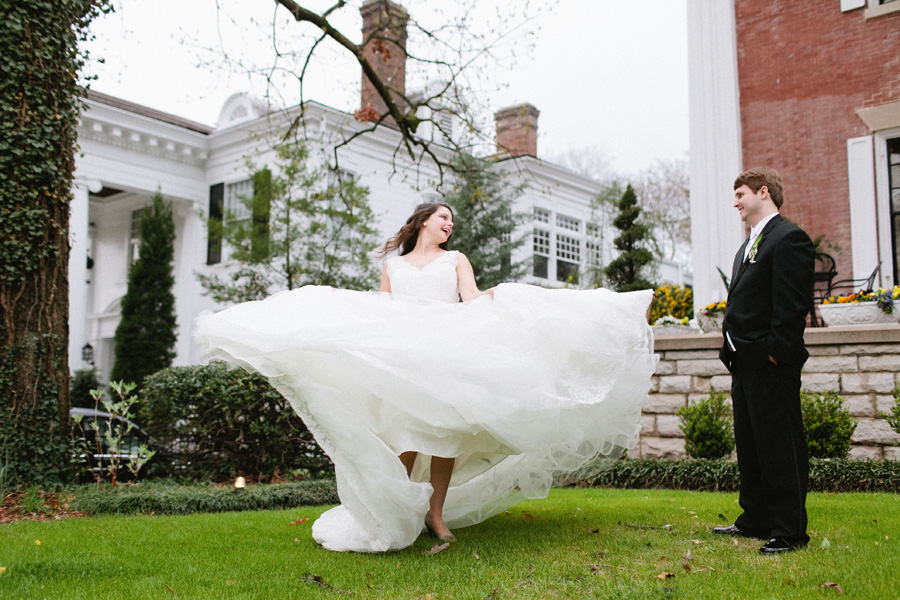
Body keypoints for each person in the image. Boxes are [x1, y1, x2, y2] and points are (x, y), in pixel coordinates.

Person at [196, 201, 657, 552]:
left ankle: (435, 515)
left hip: (446, 352)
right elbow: (382, 311)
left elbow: (470, 299)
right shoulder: (392, 267)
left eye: (451, 221)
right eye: (442, 218)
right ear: (421, 223)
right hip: (402, 355)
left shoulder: (455, 259)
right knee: (403, 435)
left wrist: (504, 297)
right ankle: (392, 510)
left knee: (444, 436)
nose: (449, 224)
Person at [715, 167, 815, 554]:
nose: (735, 202)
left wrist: (776, 352)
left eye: (740, 194)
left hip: (771, 362)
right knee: (752, 444)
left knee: (780, 444)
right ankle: (755, 519)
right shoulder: (748, 246)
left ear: (763, 192)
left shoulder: (789, 238)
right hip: (744, 363)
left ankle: (789, 530)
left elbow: (792, 305)